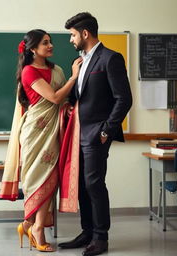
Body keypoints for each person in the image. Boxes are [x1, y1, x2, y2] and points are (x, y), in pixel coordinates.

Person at [0, 29, 82, 252]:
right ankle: (36, 228)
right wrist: (74, 77)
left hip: (54, 130)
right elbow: (55, 97)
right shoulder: (28, 71)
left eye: (50, 41)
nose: (50, 45)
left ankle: (30, 225)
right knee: (37, 179)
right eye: (45, 43)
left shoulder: (57, 70)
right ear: (33, 49)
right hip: (35, 131)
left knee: (52, 179)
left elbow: (66, 99)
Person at [58, 12, 132, 256]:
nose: (71, 40)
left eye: (73, 35)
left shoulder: (110, 58)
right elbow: (80, 95)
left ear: (85, 33)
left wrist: (106, 131)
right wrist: (70, 102)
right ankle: (87, 232)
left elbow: (124, 99)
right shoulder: (79, 61)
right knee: (80, 184)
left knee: (94, 184)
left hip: (96, 134)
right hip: (77, 132)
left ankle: (101, 238)